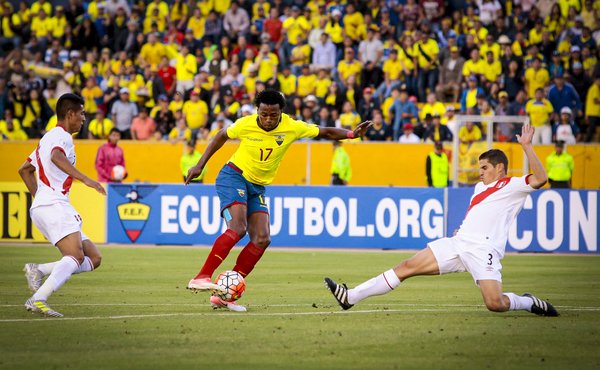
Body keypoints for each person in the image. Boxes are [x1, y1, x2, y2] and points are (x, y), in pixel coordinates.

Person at [325, 124, 559, 317]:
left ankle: (527, 302)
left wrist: (527, 146)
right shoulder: (479, 187)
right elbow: (481, 212)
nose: (480, 172)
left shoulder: (514, 185)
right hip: (459, 243)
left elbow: (541, 178)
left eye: (485, 167)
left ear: (500, 168)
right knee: (406, 267)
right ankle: (351, 296)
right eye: (479, 168)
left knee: (495, 304)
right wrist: (462, 229)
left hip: (483, 249)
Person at [184, 89, 372, 312]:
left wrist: (351, 134)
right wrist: (200, 165)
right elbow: (221, 135)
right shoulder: (245, 124)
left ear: (281, 112)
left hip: (257, 186)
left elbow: (325, 132)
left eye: (273, 115)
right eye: (264, 114)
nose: (268, 119)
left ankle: (225, 294)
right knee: (238, 228)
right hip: (233, 176)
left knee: (262, 239)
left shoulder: (291, 126)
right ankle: (202, 276)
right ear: (258, 111)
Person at [18, 93, 107, 317]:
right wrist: (86, 179)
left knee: (94, 258)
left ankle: (39, 269)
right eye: (82, 113)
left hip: (48, 204)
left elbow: (25, 169)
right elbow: (57, 156)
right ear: (70, 114)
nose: (84, 118)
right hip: (54, 204)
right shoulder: (61, 136)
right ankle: (38, 299)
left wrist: (39, 197)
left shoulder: (46, 138)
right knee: (75, 257)